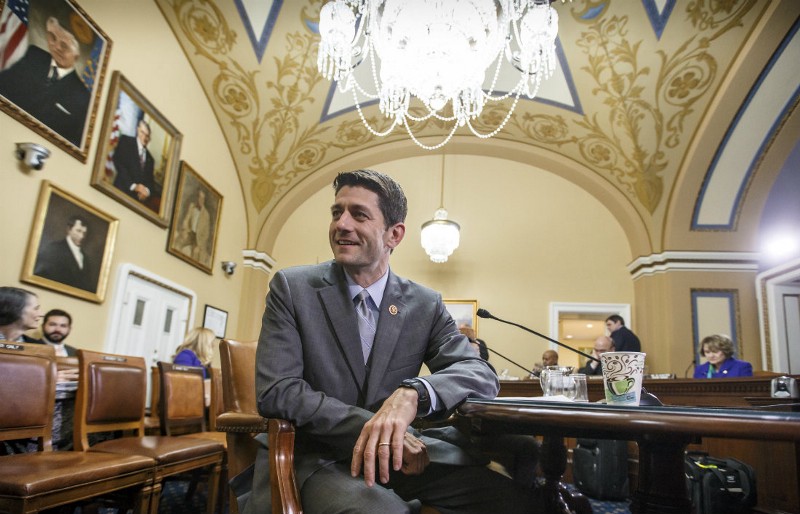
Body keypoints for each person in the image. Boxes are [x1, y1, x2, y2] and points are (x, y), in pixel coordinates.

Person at [241, 169, 536, 514]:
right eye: (337, 212)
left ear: (394, 234)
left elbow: (478, 372)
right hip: (315, 457)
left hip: (400, 458)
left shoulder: (425, 304)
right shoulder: (292, 288)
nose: (341, 224)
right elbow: (278, 391)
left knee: (517, 501)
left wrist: (414, 394)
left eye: (359, 214)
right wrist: (376, 430)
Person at [0, 17, 89, 146]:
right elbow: (3, 83)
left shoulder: (83, 97)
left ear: (76, 56)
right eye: (52, 37)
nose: (56, 47)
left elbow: (72, 142)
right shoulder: (34, 55)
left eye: (64, 45)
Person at [33, 215, 95, 292]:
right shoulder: (54, 249)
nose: (82, 236)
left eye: (84, 233)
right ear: (69, 230)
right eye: (78, 231)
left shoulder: (85, 258)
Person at [112, 119, 160, 210]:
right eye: (142, 132)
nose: (144, 137)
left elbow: (150, 182)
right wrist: (134, 186)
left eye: (147, 135)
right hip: (119, 193)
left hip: (136, 203)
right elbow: (119, 163)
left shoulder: (150, 159)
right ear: (137, 130)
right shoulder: (126, 141)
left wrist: (146, 192)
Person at [177, 189, 212, 262]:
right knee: (178, 243)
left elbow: (206, 234)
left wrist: (199, 245)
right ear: (196, 197)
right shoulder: (192, 207)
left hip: (198, 238)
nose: (200, 200)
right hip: (190, 233)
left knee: (195, 253)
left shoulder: (206, 214)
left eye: (202, 198)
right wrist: (185, 230)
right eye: (199, 197)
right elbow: (186, 220)